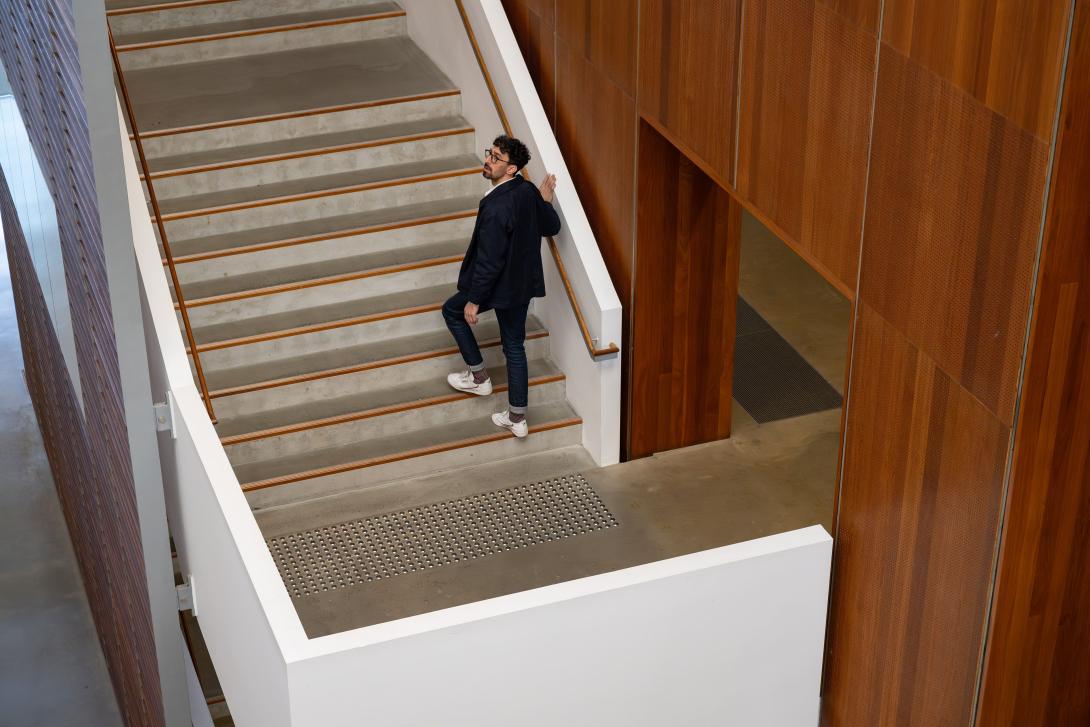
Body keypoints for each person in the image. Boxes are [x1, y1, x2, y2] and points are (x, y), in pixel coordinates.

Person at [442, 134, 559, 438]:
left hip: (499, 285)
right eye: (489, 153)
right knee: (514, 347)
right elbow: (552, 226)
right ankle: (517, 418)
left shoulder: (496, 207)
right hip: (521, 287)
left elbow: (490, 260)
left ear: (511, 169)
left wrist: (474, 300)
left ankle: (479, 378)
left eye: (496, 158)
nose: (488, 160)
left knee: (452, 311)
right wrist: (543, 203)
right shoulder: (527, 190)